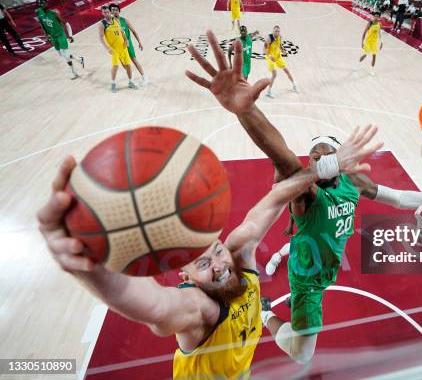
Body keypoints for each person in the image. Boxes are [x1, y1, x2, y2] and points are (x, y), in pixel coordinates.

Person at [183, 31, 422, 365]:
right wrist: (246, 112)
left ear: (340, 155)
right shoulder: (307, 191)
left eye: (324, 153)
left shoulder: (353, 181)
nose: (316, 158)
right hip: (307, 277)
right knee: (302, 355)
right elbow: (283, 156)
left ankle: (287, 256)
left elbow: (399, 198)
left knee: (311, 238)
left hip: (325, 258)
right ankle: (265, 315)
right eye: (314, 156)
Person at [37, 122, 378, 379]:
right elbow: (153, 304)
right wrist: (89, 267)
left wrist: (328, 167)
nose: (218, 265)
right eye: (202, 264)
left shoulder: (238, 256)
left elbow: (277, 196)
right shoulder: (198, 309)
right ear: (184, 277)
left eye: (216, 251)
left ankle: (261, 318)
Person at [35, 0, 84, 79]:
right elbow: (42, 25)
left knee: (64, 53)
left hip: (61, 35)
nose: (41, 4)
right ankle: (79, 59)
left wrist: (70, 35)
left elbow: (66, 23)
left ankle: (74, 72)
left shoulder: (53, 13)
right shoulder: (38, 12)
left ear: (47, 3)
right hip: (53, 36)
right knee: (61, 54)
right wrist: (46, 35)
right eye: (39, 3)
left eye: (42, 2)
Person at [98, 5, 137, 93]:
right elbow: (100, 37)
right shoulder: (102, 24)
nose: (107, 14)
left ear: (109, 12)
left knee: (128, 65)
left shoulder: (115, 20)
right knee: (115, 66)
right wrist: (107, 48)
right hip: (114, 49)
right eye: (105, 12)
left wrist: (126, 39)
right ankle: (113, 84)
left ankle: (131, 82)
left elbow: (122, 31)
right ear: (102, 13)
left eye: (108, 12)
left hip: (123, 47)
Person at [109, 3, 148, 86]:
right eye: (112, 10)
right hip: (118, 47)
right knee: (124, 64)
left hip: (128, 44)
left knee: (134, 60)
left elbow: (134, 31)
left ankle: (144, 77)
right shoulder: (110, 23)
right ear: (110, 12)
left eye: (116, 10)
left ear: (119, 11)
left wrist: (139, 42)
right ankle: (131, 79)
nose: (114, 11)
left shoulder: (124, 21)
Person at [263, 25, 298, 97]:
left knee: (287, 70)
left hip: (278, 56)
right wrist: (269, 56)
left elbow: (279, 45)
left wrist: (283, 49)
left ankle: (294, 85)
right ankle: (268, 92)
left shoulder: (280, 37)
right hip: (270, 57)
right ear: (273, 31)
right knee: (274, 74)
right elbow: (264, 50)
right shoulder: (269, 38)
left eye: (278, 31)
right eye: (276, 31)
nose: (277, 32)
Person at [356, 11, 383, 76]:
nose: (376, 17)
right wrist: (362, 43)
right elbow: (364, 33)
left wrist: (381, 42)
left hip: (374, 42)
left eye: (377, 16)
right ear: (373, 16)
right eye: (375, 16)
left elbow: (379, 33)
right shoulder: (370, 23)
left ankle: (372, 70)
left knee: (374, 56)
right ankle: (357, 64)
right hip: (368, 41)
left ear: (379, 17)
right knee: (365, 54)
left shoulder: (380, 24)